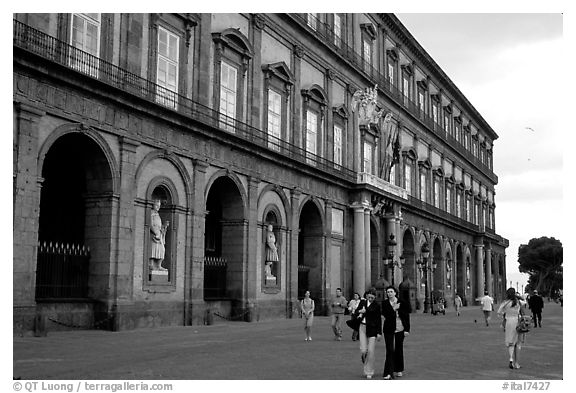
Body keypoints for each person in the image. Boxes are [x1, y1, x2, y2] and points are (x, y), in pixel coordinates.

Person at [381, 285, 410, 380]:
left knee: (398, 348)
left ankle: (399, 368)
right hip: (389, 328)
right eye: (388, 292)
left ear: (395, 293)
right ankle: (388, 372)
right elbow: (386, 315)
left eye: (391, 292)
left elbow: (406, 316)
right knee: (389, 349)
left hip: (400, 327)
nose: (389, 294)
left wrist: (407, 329)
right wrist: (393, 309)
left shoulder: (402, 302)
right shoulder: (385, 303)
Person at [353, 288, 382, 379]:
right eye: (369, 297)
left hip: (372, 329)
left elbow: (378, 319)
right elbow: (356, 312)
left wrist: (379, 332)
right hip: (362, 327)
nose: (370, 298)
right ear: (366, 296)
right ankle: (363, 355)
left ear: (374, 297)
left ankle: (369, 371)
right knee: (364, 350)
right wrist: (359, 312)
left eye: (372, 297)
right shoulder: (362, 303)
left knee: (371, 351)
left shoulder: (377, 305)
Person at [497, 287, 527, 369]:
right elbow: (525, 302)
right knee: (518, 343)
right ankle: (517, 363)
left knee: (511, 342)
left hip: (508, 322)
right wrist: (519, 297)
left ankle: (511, 359)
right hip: (517, 322)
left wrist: (505, 314)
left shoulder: (505, 302)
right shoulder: (518, 302)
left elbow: (499, 312)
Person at [150, 199, 169, 271]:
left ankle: (159, 265)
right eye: (156, 205)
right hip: (154, 235)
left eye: (159, 206)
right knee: (153, 249)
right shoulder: (151, 213)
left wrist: (164, 226)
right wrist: (155, 232)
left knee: (162, 250)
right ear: (153, 205)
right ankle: (151, 264)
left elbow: (160, 226)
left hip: (159, 234)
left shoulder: (157, 215)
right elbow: (150, 224)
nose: (158, 207)